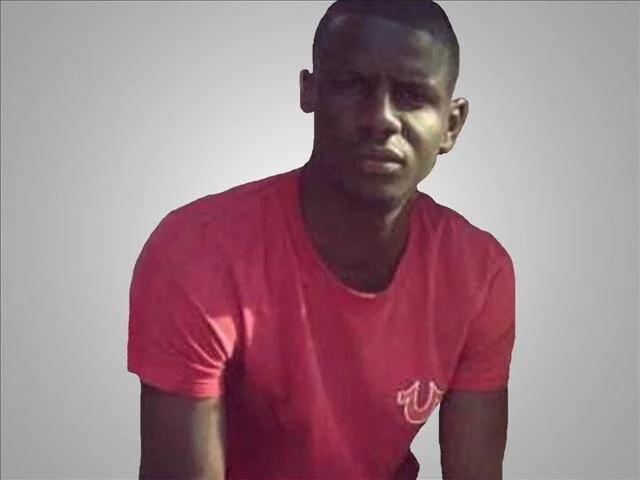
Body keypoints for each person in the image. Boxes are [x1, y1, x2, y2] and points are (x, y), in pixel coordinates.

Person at [127, 0, 516, 478]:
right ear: (309, 92)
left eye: (412, 95)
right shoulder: (197, 254)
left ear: (451, 124)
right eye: (352, 84)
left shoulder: (478, 273)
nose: (381, 118)